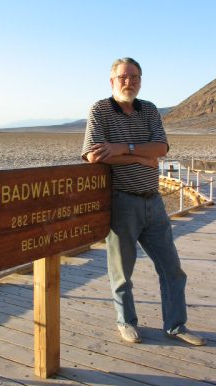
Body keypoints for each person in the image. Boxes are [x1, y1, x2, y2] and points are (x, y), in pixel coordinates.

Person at [81, 57, 206, 346]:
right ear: (112, 80)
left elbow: (161, 148)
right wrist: (142, 157)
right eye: (124, 77)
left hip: (154, 202)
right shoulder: (100, 110)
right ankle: (126, 321)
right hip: (122, 202)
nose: (129, 82)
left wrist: (124, 149)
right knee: (122, 272)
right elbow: (93, 155)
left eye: (135, 77)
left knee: (172, 269)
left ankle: (176, 325)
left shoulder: (148, 110)